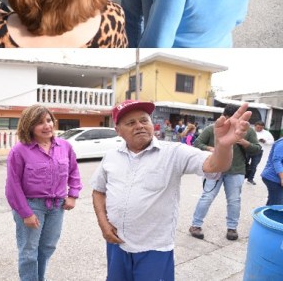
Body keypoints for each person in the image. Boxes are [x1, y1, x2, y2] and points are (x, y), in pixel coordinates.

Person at [92, 100, 251, 281]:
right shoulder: (111, 157)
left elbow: (214, 165)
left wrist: (223, 146)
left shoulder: (174, 152)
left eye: (144, 120)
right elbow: (98, 190)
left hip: (154, 250)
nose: (139, 126)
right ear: (118, 130)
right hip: (116, 245)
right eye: (131, 123)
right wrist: (103, 224)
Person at [5, 105, 81, 281]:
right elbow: (13, 185)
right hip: (31, 205)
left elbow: (74, 172)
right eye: (40, 123)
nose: (47, 125)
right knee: (29, 252)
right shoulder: (19, 150)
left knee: (47, 247)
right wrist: (26, 213)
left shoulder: (65, 146)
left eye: (48, 120)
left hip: (57, 206)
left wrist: (73, 195)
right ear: (29, 126)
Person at [187, 105, 260, 241]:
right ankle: (195, 225)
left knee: (234, 200)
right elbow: (197, 143)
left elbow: (257, 150)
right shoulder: (212, 129)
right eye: (228, 119)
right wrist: (210, 148)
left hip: (236, 170)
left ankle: (232, 228)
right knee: (207, 197)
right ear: (223, 116)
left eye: (234, 119)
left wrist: (245, 143)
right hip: (214, 169)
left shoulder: (247, 131)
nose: (230, 123)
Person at [261, 135, 283, 205]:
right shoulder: (281, 143)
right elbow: (277, 160)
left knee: (273, 202)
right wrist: (282, 178)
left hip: (277, 178)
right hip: (273, 178)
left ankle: (267, 214)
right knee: (277, 205)